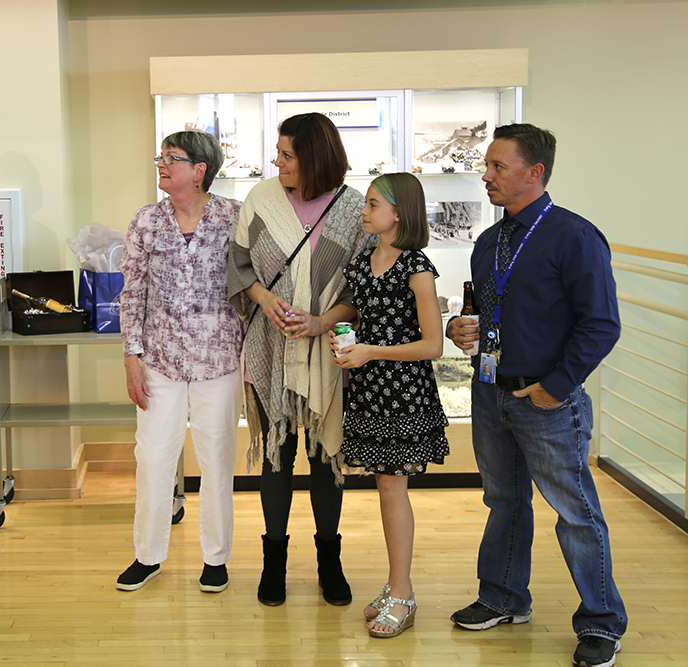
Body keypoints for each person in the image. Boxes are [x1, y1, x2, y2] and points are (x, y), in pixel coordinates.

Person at [446, 124, 626, 667]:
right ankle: (503, 598)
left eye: (499, 167)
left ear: (535, 172)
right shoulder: (488, 241)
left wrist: (556, 386)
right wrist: (461, 328)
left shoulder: (574, 237)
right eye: (488, 165)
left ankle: (601, 621)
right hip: (490, 394)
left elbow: (601, 325)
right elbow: (481, 311)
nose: (486, 176)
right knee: (503, 502)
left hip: (546, 401)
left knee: (574, 513)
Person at [228, 112, 373, 606]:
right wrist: (266, 302)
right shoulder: (262, 200)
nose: (278, 161)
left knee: (324, 457)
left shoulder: (355, 210)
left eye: (287, 154)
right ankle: (274, 563)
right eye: (278, 153)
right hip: (269, 347)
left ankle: (329, 561)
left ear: (312, 157)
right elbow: (238, 263)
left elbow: (363, 289)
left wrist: (321, 321)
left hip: (329, 352)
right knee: (276, 457)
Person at [117, 131, 243, 593]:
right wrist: (132, 356)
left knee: (216, 460)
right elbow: (132, 294)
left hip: (220, 360)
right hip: (160, 362)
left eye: (172, 158)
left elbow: (252, 284)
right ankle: (148, 556)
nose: (161, 165)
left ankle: (216, 558)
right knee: (152, 459)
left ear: (200, 170)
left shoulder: (234, 217)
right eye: (161, 157)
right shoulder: (146, 222)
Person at [330, 173, 449, 637]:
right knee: (385, 486)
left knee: (392, 488)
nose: (364, 209)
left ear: (398, 213)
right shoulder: (366, 261)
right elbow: (359, 313)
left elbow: (433, 345)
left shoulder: (416, 268)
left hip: (402, 391)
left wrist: (370, 352)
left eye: (373, 203)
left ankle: (402, 592)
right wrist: (328, 327)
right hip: (369, 388)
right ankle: (397, 585)